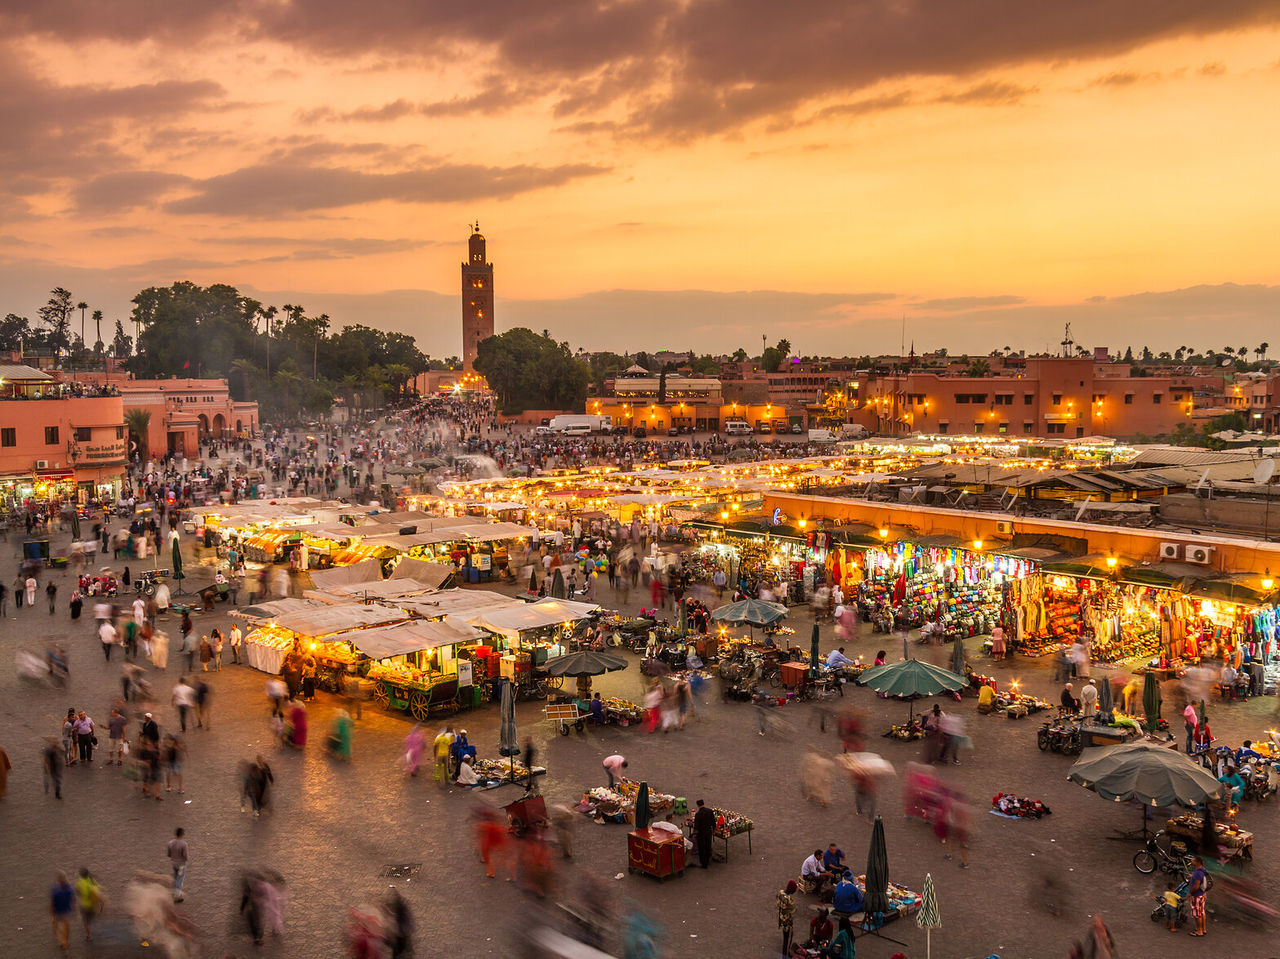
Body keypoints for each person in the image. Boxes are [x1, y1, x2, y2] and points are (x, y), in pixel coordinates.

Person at [74, 868, 103, 942]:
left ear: (81, 875)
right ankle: (93, 924)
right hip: (93, 904)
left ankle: (89, 936)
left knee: (86, 921)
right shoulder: (92, 880)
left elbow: (77, 891)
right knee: (91, 917)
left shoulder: (79, 882)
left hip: (84, 906)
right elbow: (98, 887)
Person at [50, 871, 75, 950]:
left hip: (58, 911)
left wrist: (51, 913)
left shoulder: (55, 890)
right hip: (66, 911)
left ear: (58, 880)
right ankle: (64, 941)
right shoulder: (69, 888)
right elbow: (73, 900)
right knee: (66, 927)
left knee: (55, 922)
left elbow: (52, 903)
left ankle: (57, 935)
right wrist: (74, 910)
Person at [1187, 856, 1208, 936]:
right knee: (1202, 912)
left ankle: (1199, 931)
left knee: (1197, 914)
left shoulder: (1197, 873)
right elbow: (1200, 879)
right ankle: (1203, 928)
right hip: (1202, 894)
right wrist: (1192, 876)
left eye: (1193, 860)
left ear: (1197, 862)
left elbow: (1196, 886)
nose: (1192, 861)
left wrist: (1190, 892)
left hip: (1196, 896)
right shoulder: (1202, 870)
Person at [692, 798, 716, 868]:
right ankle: (708, 859)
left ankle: (704, 863)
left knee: (702, 848)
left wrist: (694, 834)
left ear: (698, 805)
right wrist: (714, 830)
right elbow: (713, 822)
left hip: (701, 834)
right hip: (708, 832)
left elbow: (696, 826)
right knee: (708, 846)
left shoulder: (698, 814)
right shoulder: (710, 811)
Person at [777, 879, 798, 955]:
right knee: (787, 938)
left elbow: (778, 902)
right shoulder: (789, 900)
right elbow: (793, 910)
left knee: (785, 936)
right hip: (787, 921)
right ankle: (785, 953)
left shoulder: (781, 892)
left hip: (781, 917)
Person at [167, 827, 188, 902]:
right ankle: (177, 895)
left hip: (174, 863)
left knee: (175, 878)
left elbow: (169, 854)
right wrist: (185, 860)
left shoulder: (170, 843)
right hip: (181, 865)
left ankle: (174, 892)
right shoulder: (184, 844)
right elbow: (185, 856)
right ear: (182, 834)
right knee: (180, 879)